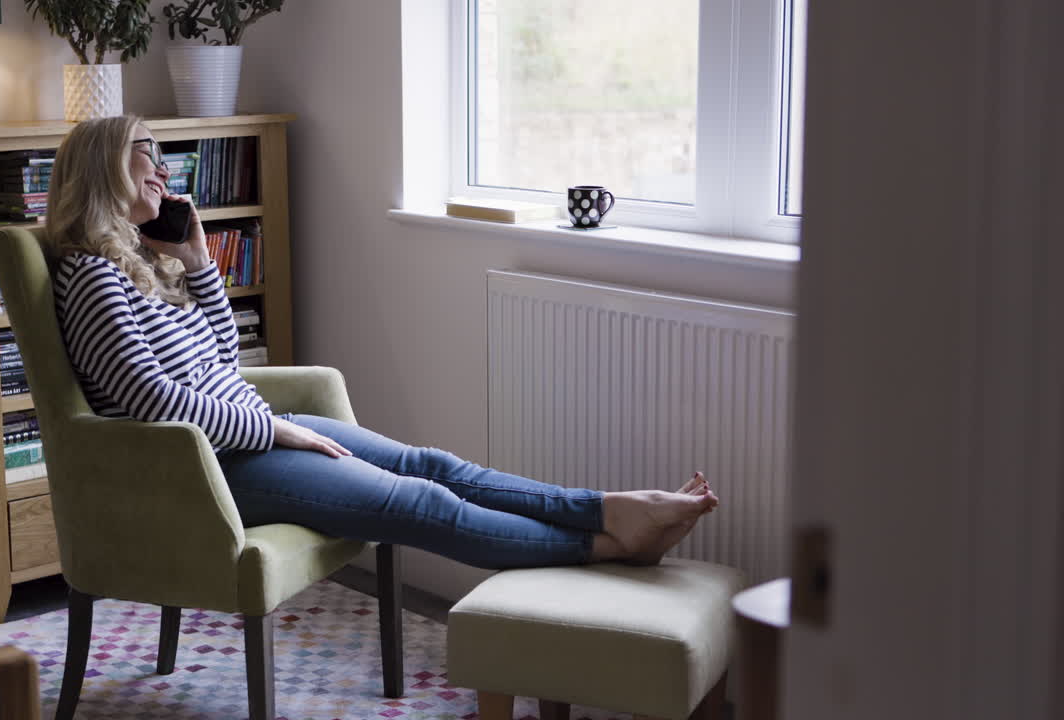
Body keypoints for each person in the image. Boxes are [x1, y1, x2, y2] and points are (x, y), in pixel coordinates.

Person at [44, 115, 719, 570]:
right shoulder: (92, 274)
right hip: (204, 470)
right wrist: (277, 434)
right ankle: (604, 545)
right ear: (104, 169)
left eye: (164, 161)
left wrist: (197, 263)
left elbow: (223, 360)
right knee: (420, 503)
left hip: (248, 435)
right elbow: (151, 399)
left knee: (438, 466)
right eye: (147, 160)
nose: (164, 174)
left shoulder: (147, 264)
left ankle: (604, 508)